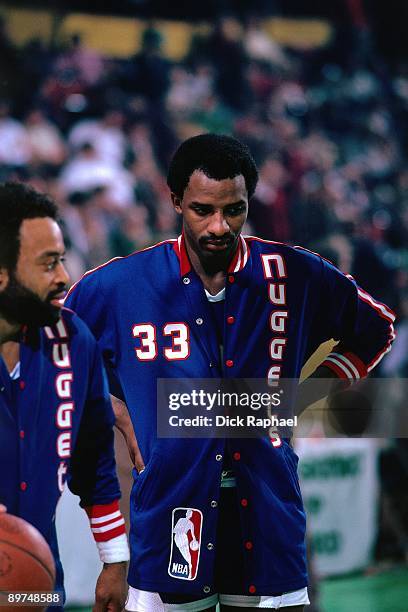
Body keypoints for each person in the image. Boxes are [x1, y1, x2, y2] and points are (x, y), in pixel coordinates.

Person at [66, 134, 395, 612]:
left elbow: (377, 328)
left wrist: (305, 394)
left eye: (234, 210)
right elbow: (53, 347)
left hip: (267, 511)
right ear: (176, 200)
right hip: (171, 515)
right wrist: (113, 407)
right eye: (202, 210)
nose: (219, 225)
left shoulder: (293, 272)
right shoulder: (119, 284)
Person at [0, 182, 129, 611]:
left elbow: (94, 463)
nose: (64, 276)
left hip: (34, 582)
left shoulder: (76, 339)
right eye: (48, 263)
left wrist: (114, 561)